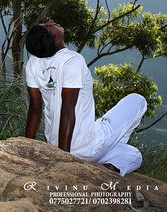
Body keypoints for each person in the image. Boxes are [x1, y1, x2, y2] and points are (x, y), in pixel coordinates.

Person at [24, 20, 147, 176]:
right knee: (137, 100)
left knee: (134, 155)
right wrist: (63, 159)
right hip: (82, 146)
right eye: (49, 26)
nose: (51, 21)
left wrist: (27, 146)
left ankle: (103, 165)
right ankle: (100, 161)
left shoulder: (33, 62)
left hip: (54, 144)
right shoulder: (72, 60)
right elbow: (67, 111)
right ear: (57, 40)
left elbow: (35, 109)